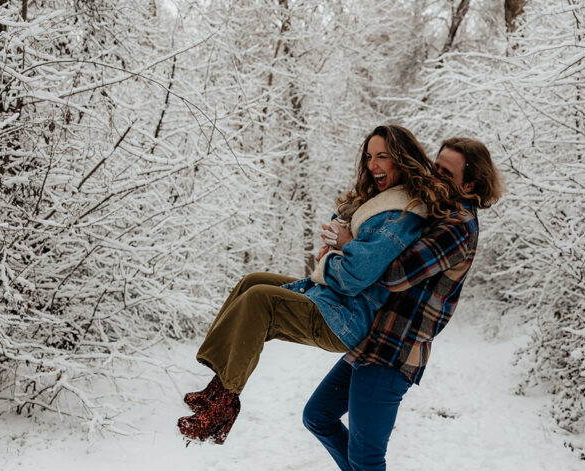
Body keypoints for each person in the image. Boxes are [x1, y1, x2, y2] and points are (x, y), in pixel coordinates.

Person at [301, 137, 505, 471]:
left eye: (446, 173)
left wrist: (354, 246)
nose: (434, 176)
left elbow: (394, 273)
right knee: (317, 416)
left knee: (366, 454)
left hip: (396, 350)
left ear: (470, 183)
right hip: (371, 341)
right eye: (435, 166)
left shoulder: (458, 225)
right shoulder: (434, 210)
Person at [177, 125, 458, 444]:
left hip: (348, 316)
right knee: (252, 282)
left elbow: (355, 276)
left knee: (260, 300)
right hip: (332, 297)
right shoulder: (380, 201)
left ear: (402, 159)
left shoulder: (404, 213)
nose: (373, 165)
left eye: (383, 157)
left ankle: (224, 406)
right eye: (369, 157)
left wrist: (338, 249)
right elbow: (349, 247)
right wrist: (339, 240)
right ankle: (217, 386)